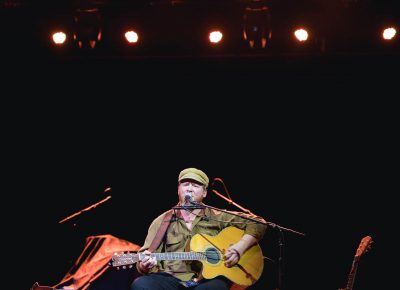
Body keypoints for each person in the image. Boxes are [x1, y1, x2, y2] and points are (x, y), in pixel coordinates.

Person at [130, 167, 267, 290]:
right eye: (185, 184)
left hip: (208, 280)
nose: (189, 189)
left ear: (205, 193)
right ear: (178, 189)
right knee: (141, 284)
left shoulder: (218, 216)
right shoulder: (161, 221)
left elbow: (258, 223)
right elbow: (144, 259)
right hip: (171, 278)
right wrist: (144, 265)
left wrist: (239, 248)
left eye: (195, 185)